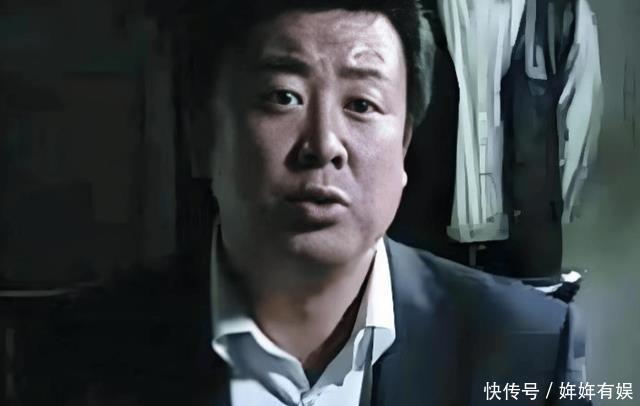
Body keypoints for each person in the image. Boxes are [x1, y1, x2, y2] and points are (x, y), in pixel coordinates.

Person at [24, 1, 590, 405]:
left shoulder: (530, 348)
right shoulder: (77, 352)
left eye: (362, 104)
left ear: (405, 146)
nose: (324, 145)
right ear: (203, 135)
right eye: (283, 96)